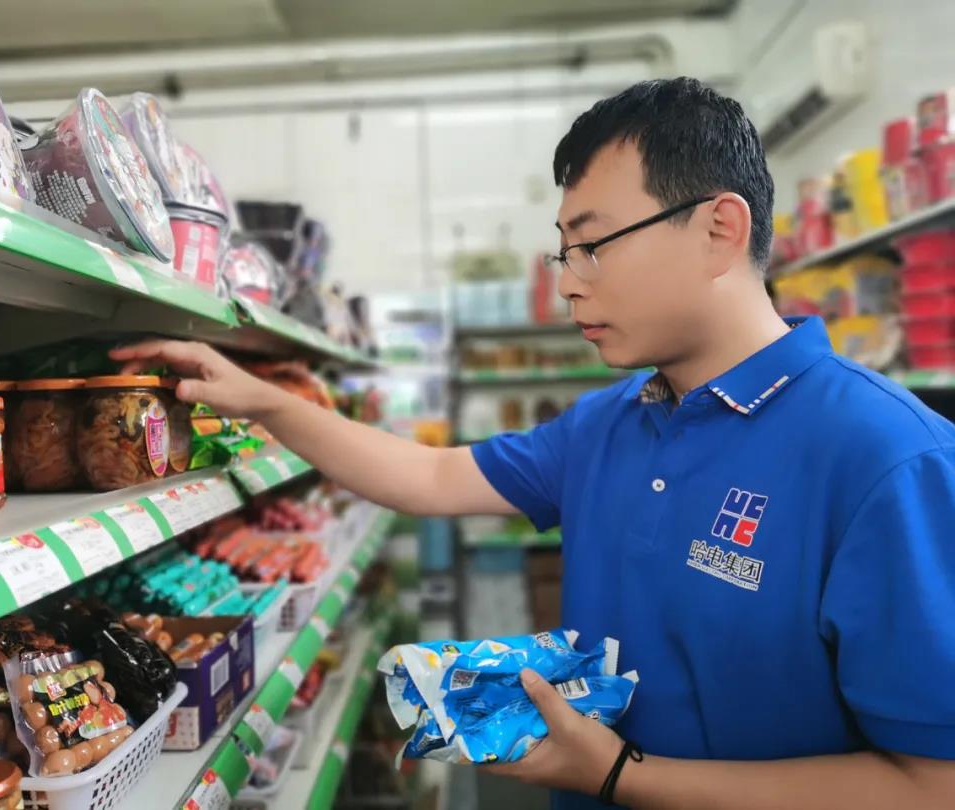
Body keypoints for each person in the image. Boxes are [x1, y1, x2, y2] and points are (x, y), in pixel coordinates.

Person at [112, 78, 955, 809]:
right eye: (563, 251)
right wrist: (263, 400)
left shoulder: (888, 460)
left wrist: (623, 776)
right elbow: (432, 477)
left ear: (719, 231)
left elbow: (931, 784)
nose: (569, 282)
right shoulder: (610, 422)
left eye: (593, 245)